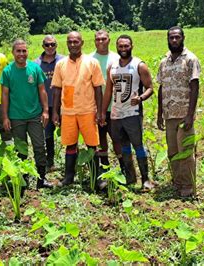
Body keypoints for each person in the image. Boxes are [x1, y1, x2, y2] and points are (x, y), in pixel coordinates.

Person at [51, 31, 105, 187]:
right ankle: (68, 178)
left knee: (92, 145)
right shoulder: (60, 64)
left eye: (76, 42)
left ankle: (96, 178)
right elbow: (57, 90)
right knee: (70, 144)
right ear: (67, 44)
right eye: (70, 42)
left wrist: (100, 112)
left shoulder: (92, 62)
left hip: (87, 110)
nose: (73, 45)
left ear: (82, 43)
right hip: (67, 111)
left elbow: (97, 89)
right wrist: (55, 111)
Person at [102, 34, 154, 190]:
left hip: (133, 112)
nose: (123, 49)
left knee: (138, 145)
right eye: (121, 46)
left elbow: (150, 87)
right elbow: (108, 92)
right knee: (123, 144)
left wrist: (141, 98)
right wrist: (103, 112)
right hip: (117, 114)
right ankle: (130, 177)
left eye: (126, 46)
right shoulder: (112, 66)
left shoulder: (139, 65)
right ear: (117, 47)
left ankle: (145, 179)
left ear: (132, 46)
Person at [0, 39, 53, 190]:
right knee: (20, 149)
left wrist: (45, 111)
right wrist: (5, 117)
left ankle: (41, 179)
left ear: (27, 52)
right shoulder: (8, 71)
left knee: (39, 147)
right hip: (16, 117)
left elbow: (42, 90)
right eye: (18, 51)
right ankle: (23, 180)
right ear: (13, 53)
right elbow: (4, 95)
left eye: (24, 51)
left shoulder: (34, 68)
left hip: (35, 115)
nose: (21, 54)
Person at [157, 26, 201, 197]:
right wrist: (159, 112)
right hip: (169, 114)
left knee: (186, 151)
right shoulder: (164, 61)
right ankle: (177, 182)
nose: (174, 40)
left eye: (177, 37)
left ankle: (188, 186)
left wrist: (190, 114)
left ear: (183, 38)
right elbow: (161, 87)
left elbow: (194, 87)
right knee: (173, 151)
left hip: (184, 114)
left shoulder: (190, 59)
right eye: (171, 38)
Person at [90, 30, 125, 174]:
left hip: (115, 107)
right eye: (98, 39)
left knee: (117, 138)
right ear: (94, 41)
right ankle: (105, 167)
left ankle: (124, 166)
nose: (100, 42)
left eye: (103, 39)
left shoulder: (117, 58)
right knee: (100, 137)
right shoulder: (90, 59)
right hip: (94, 106)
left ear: (109, 40)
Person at [34, 35, 64, 171]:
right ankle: (49, 162)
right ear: (43, 46)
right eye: (47, 45)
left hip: (63, 105)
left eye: (52, 44)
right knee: (47, 134)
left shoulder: (63, 61)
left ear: (56, 45)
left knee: (68, 133)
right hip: (45, 106)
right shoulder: (36, 64)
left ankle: (72, 163)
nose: (50, 47)